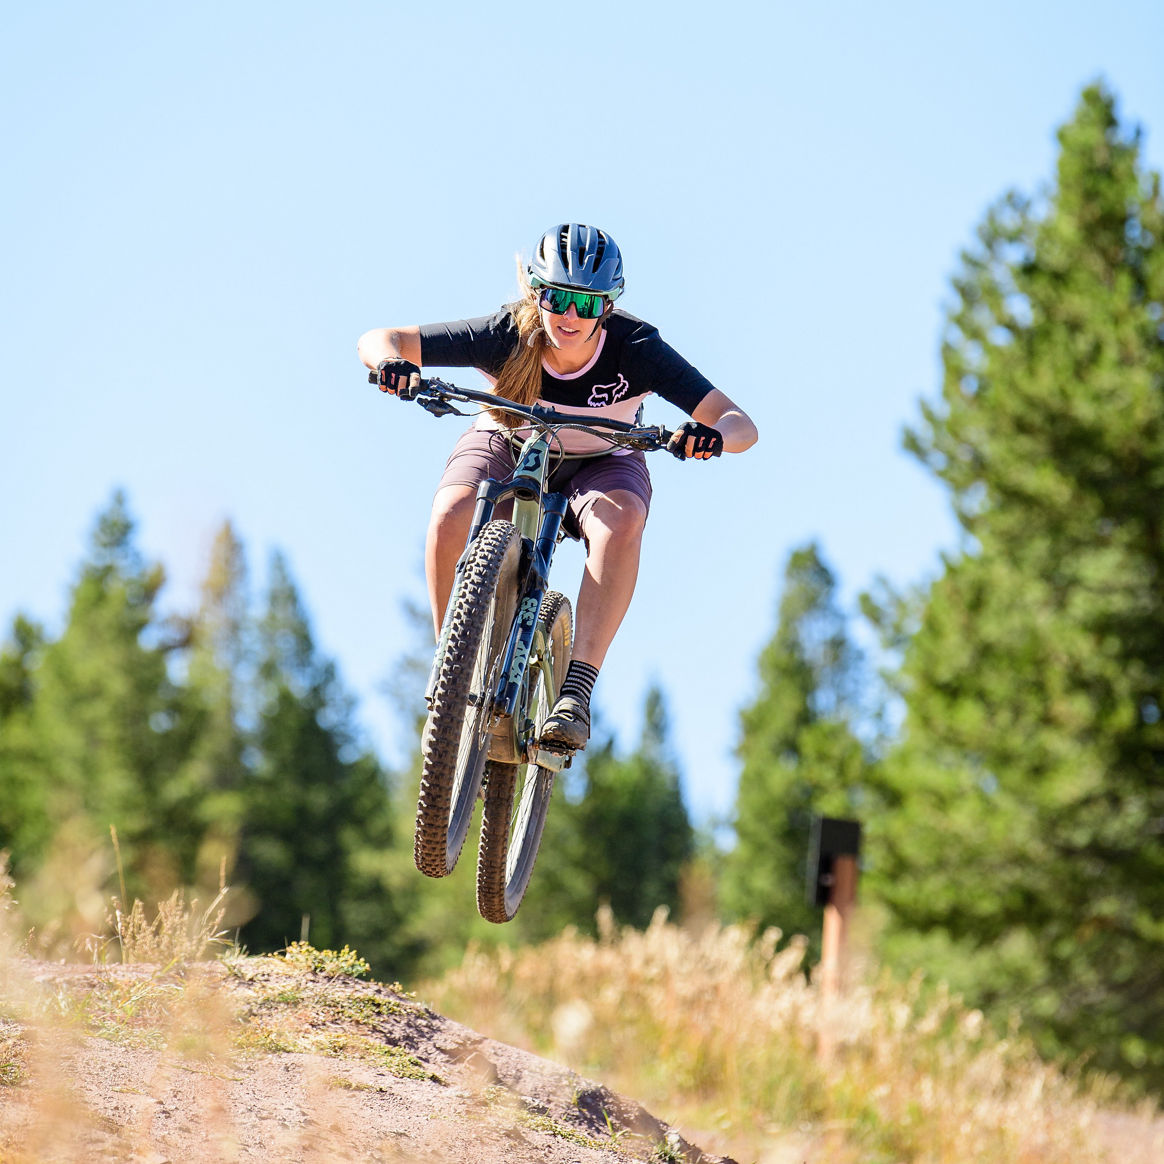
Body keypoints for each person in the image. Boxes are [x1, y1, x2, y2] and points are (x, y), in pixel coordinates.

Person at [358, 223, 757, 753]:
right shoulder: (505, 334)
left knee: (621, 522)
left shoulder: (636, 348)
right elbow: (381, 339)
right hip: (509, 442)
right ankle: (449, 665)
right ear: (536, 293)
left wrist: (709, 436)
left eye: (587, 304)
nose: (570, 316)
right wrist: (391, 364)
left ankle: (576, 691)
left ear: (608, 308)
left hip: (602, 460)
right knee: (454, 507)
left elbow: (739, 424)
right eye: (558, 298)